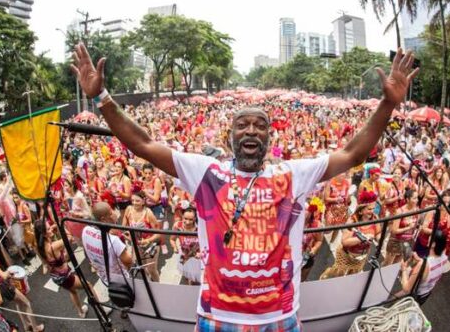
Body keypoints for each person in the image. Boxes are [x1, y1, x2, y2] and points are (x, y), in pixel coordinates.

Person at [72, 42, 418, 329]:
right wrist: (102, 97)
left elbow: (353, 153)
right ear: (230, 135)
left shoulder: (293, 175)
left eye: (260, 126)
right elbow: (144, 144)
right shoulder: (204, 172)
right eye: (243, 125)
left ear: (270, 136)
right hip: (216, 317)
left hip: (279, 318)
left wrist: (388, 103)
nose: (251, 130)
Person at [0, 235, 43, 331]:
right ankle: (35, 328)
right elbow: (3, 275)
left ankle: (26, 325)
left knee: (18, 303)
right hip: (3, 285)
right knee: (26, 303)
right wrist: (9, 271)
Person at [34, 220, 92, 318]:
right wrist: (60, 228)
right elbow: (69, 237)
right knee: (89, 285)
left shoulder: (39, 245)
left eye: (50, 226)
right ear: (43, 234)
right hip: (65, 276)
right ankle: (102, 310)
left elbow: (48, 263)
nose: (51, 228)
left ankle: (80, 312)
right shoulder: (53, 246)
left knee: (73, 291)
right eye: (48, 228)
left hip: (56, 275)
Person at [320, 191, 381, 279]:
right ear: (361, 211)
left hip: (361, 258)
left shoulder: (375, 218)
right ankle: (327, 274)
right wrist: (363, 238)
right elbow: (345, 242)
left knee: (351, 278)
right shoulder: (352, 221)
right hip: (346, 256)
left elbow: (378, 233)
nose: (372, 211)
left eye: (374, 208)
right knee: (337, 276)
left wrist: (379, 238)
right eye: (369, 209)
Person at [82, 202, 133, 285]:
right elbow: (128, 261)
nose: (114, 213)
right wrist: (132, 242)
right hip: (121, 280)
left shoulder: (86, 230)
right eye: (111, 212)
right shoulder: (114, 240)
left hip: (104, 277)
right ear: (103, 219)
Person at [398, 230, 448, 305]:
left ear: (434, 244)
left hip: (414, 296)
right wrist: (419, 259)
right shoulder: (445, 256)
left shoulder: (423, 264)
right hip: (425, 294)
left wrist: (404, 269)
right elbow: (434, 264)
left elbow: (407, 289)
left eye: (430, 237)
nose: (428, 238)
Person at [121, 190, 161, 281]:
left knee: (151, 269)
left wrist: (147, 240)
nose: (134, 203)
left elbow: (159, 233)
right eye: (133, 200)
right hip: (136, 245)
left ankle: (158, 286)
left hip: (150, 246)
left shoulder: (148, 213)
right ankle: (149, 284)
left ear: (143, 201)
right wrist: (128, 236)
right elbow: (123, 227)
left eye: (137, 201)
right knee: (141, 267)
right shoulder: (128, 209)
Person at [170, 203, 201, 285]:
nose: (187, 222)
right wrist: (175, 248)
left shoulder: (200, 227)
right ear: (182, 216)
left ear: (195, 218)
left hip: (197, 257)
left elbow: (208, 242)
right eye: (185, 218)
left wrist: (201, 253)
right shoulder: (177, 225)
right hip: (184, 256)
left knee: (194, 280)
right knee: (187, 277)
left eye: (191, 219)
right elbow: (172, 239)